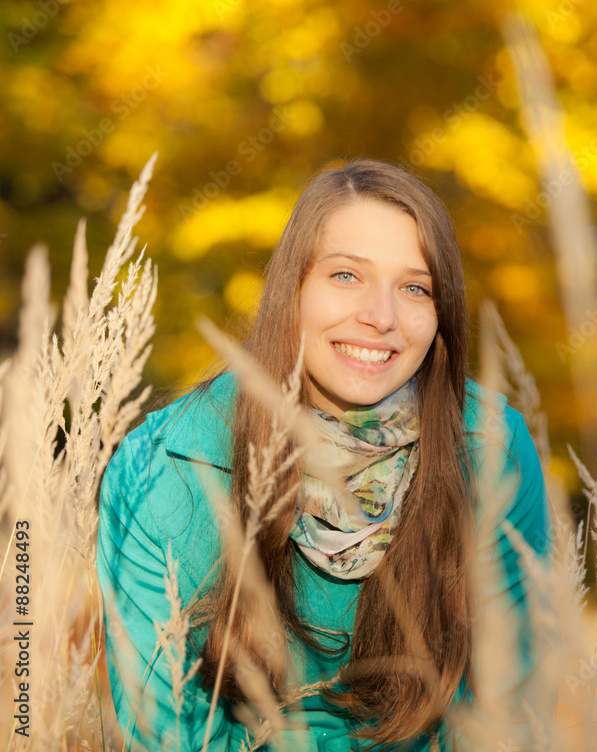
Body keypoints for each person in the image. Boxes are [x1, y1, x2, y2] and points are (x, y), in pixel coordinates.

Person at [96, 159, 554, 751]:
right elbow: (160, 736)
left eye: (415, 287)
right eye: (346, 276)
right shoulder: (166, 466)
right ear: (293, 288)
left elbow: (502, 718)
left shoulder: (489, 447)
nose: (381, 316)